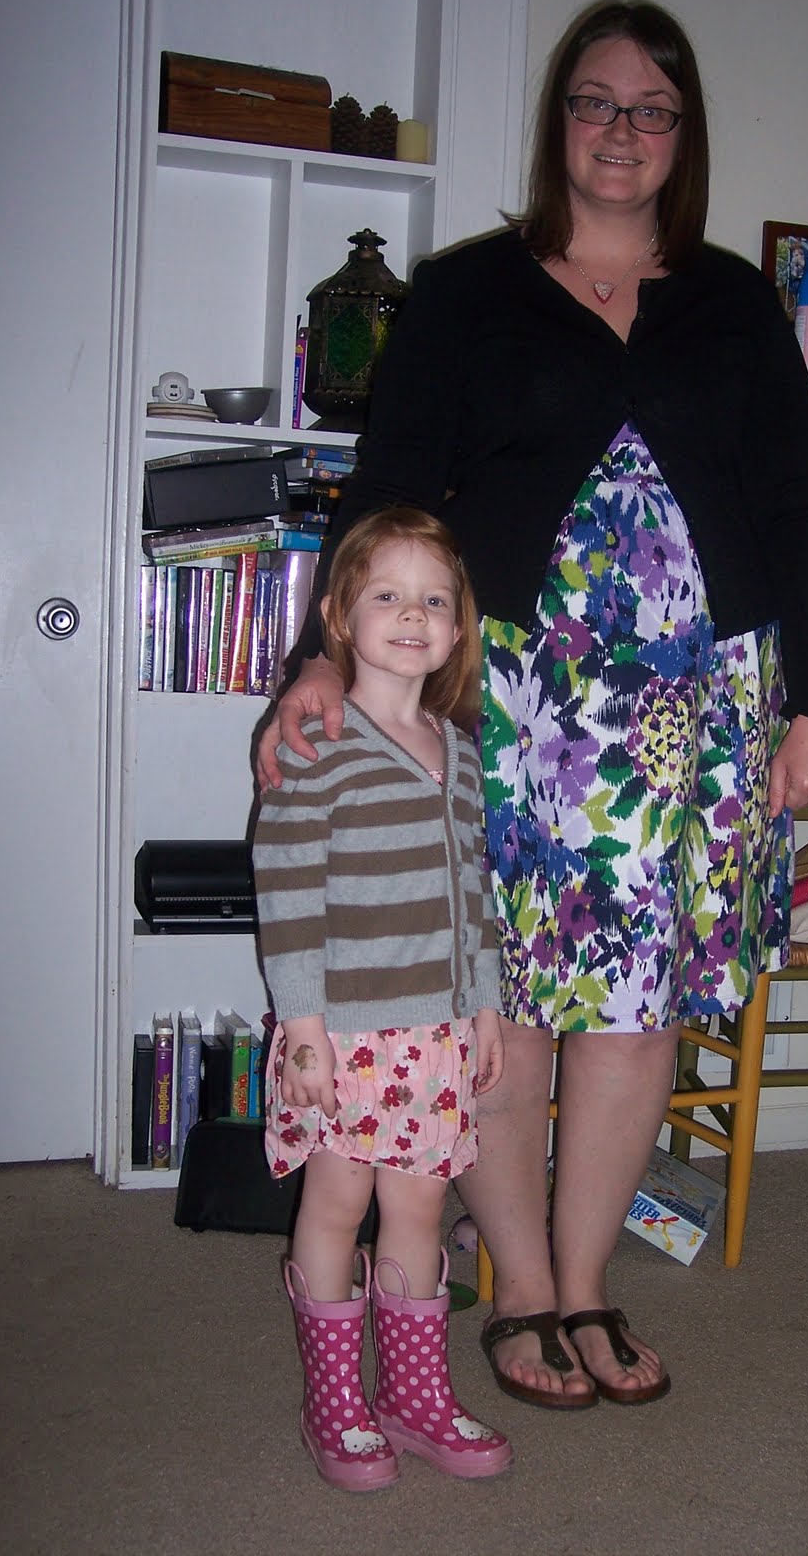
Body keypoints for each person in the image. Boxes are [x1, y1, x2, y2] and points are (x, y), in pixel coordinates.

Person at [256, 0, 808, 1410]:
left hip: (699, 705)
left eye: (652, 108)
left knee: (637, 1007)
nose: (621, 130)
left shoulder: (735, 303)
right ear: (558, 121)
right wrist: (316, 661)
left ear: (683, 134)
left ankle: (586, 1279)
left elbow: (793, 503)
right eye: (596, 101)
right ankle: (519, 1285)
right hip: (520, 696)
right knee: (509, 998)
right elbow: (387, 487)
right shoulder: (468, 289)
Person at [253, 505, 512, 1489]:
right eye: (389, 596)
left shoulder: (461, 749)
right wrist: (304, 1028)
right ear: (339, 617)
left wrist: (484, 1005)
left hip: (438, 1032)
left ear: (457, 626)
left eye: (435, 601)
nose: (413, 615)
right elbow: (287, 891)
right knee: (337, 1202)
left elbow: (474, 892)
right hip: (344, 1033)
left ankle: (414, 1397)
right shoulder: (317, 741)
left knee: (420, 1205)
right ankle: (334, 1404)